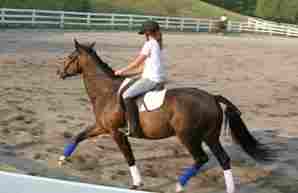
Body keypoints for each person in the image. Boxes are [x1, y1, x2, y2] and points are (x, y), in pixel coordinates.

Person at [114, 20, 166, 136]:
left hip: (151, 80)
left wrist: (121, 70)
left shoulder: (149, 44)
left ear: (147, 33)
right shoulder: (157, 45)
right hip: (156, 78)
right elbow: (142, 69)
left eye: (144, 34)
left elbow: (137, 62)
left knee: (126, 95)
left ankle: (133, 128)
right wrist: (125, 75)